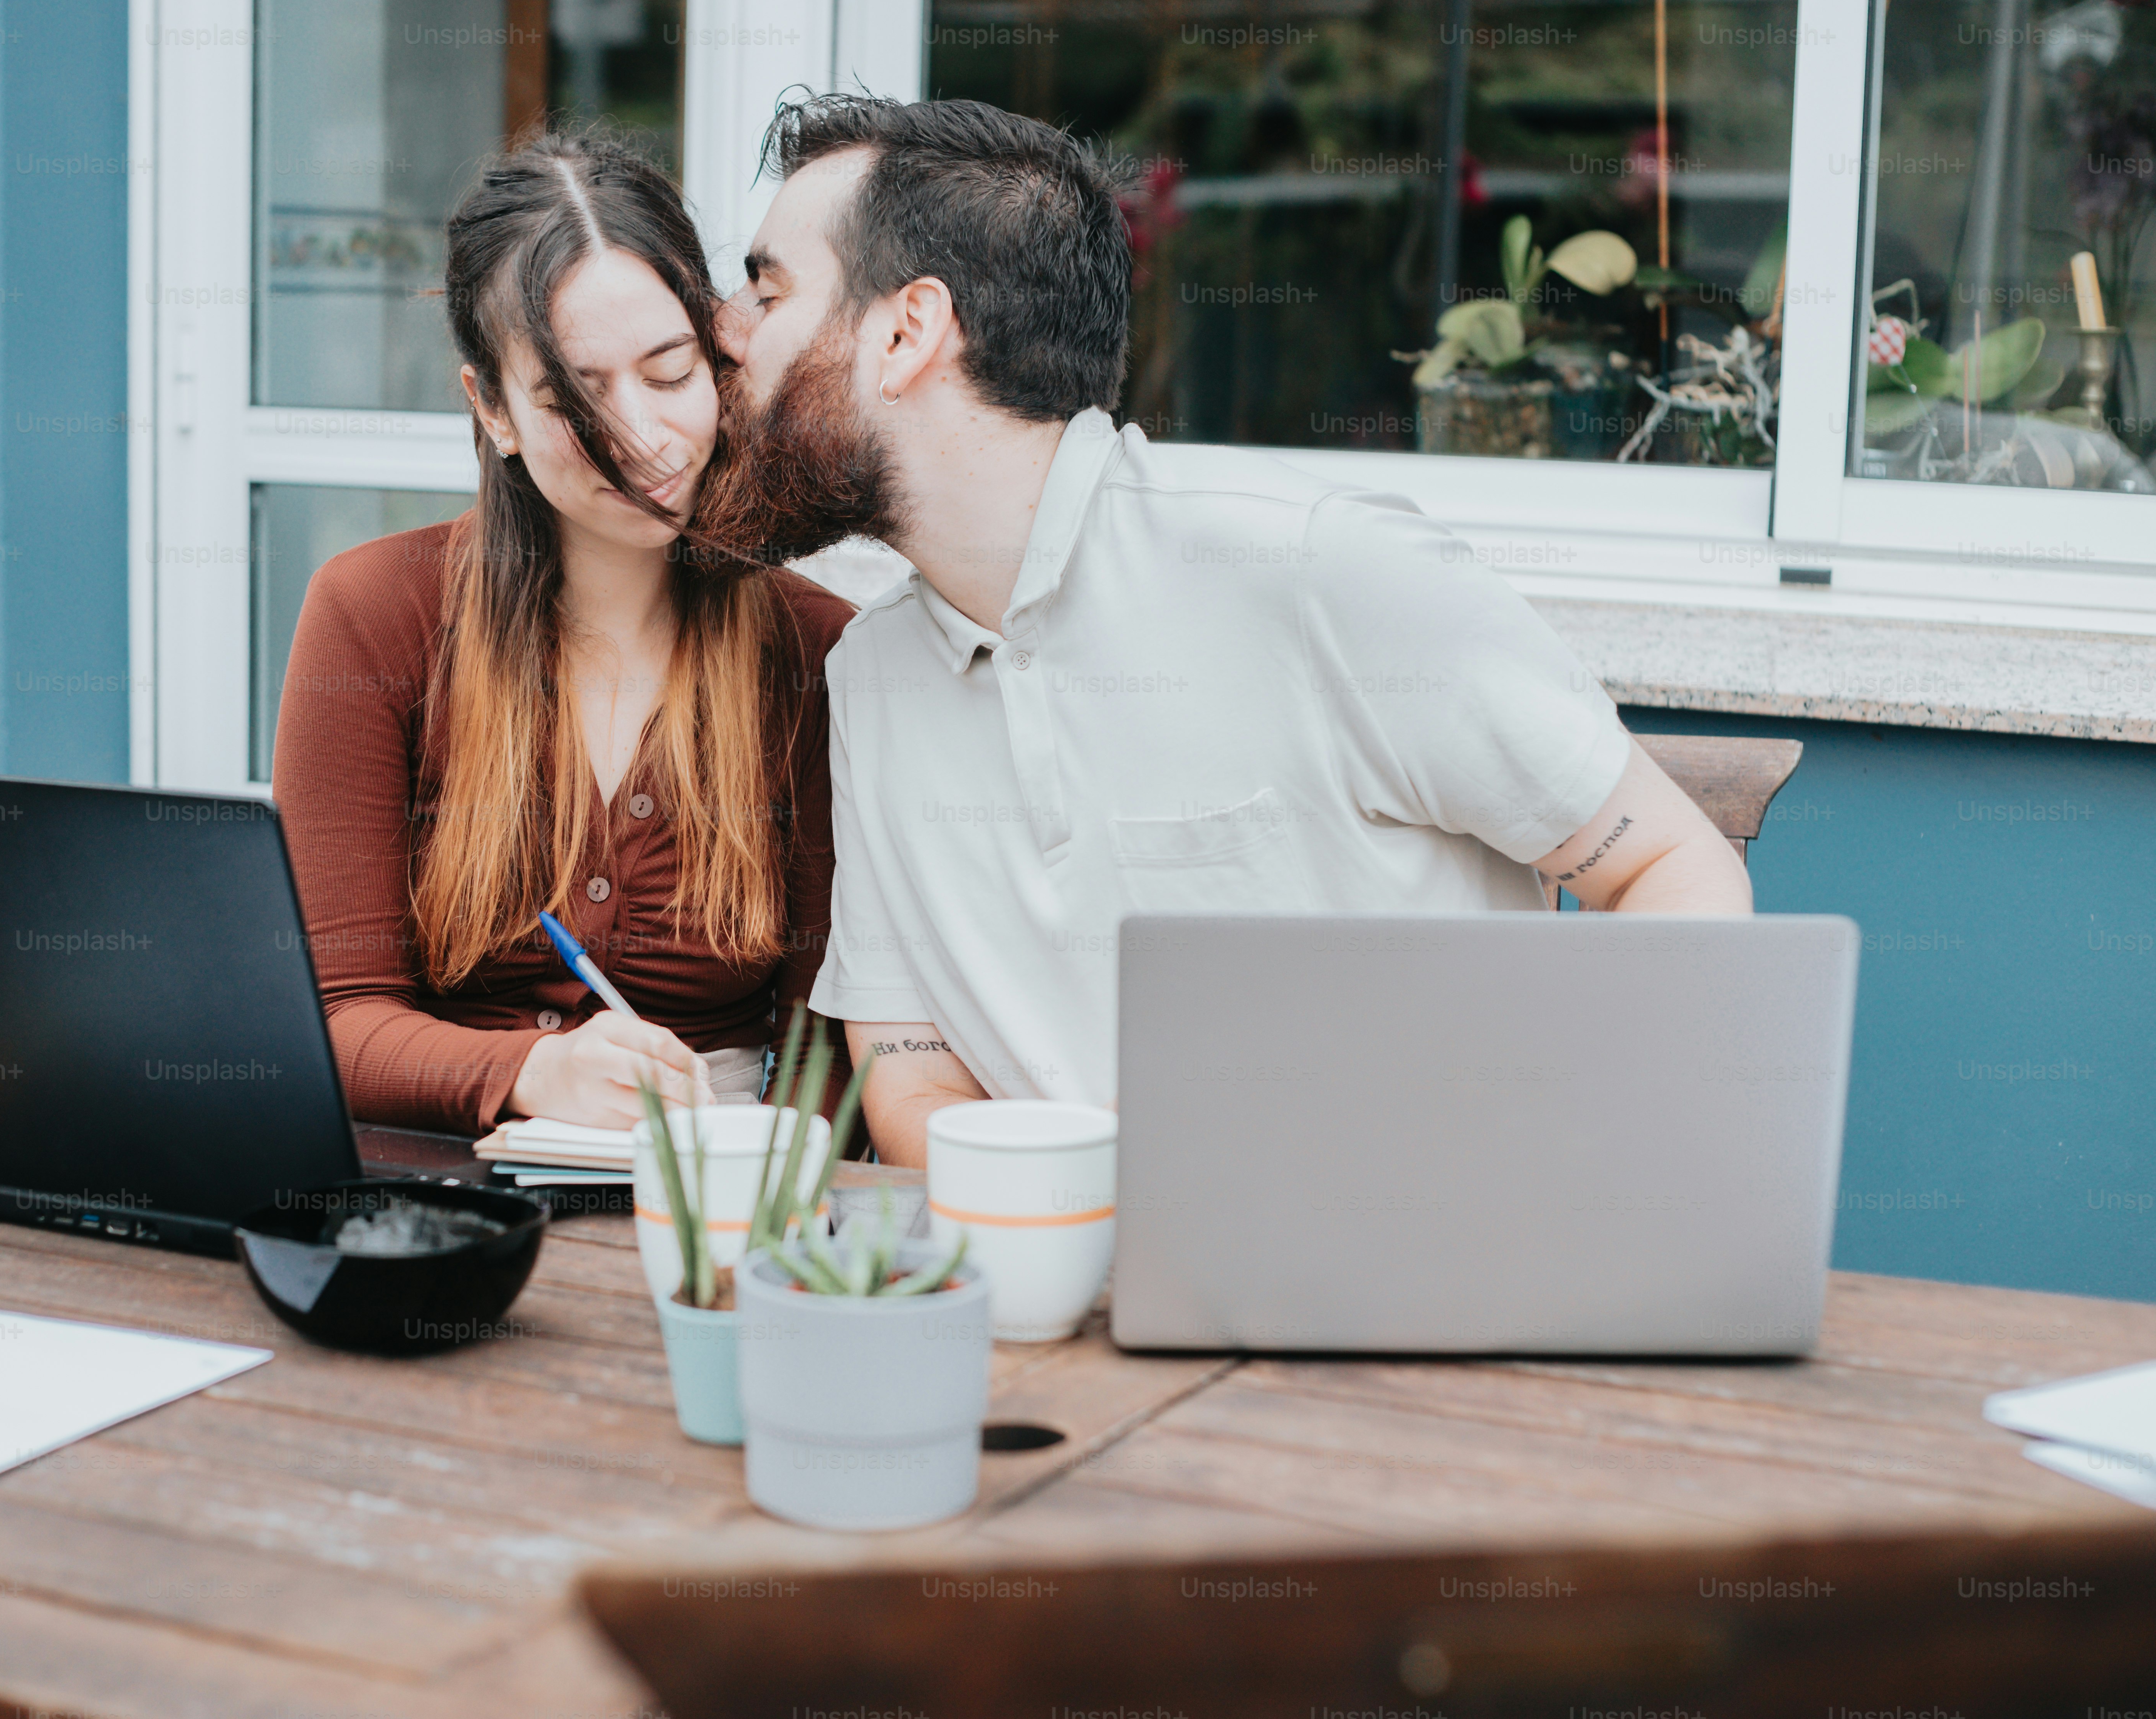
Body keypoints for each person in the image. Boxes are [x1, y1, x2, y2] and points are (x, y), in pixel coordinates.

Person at [691, 95, 1752, 1168]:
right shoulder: (871, 673)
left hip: (1428, 1282)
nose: (722, 333)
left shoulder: (1321, 568)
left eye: (766, 288)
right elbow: (911, 1059)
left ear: (908, 333)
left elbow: (1666, 863)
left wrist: (1587, 1179)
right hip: (1072, 1306)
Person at [271, 133, 853, 1136]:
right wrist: (534, 1073)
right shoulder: (373, 617)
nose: (642, 438)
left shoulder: (816, 650)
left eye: (671, 374)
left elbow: (828, 1048)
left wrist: (777, 1213)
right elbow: (327, 1018)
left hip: (714, 1199)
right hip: (448, 1198)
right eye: (576, 396)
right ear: (492, 409)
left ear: (720, 358)